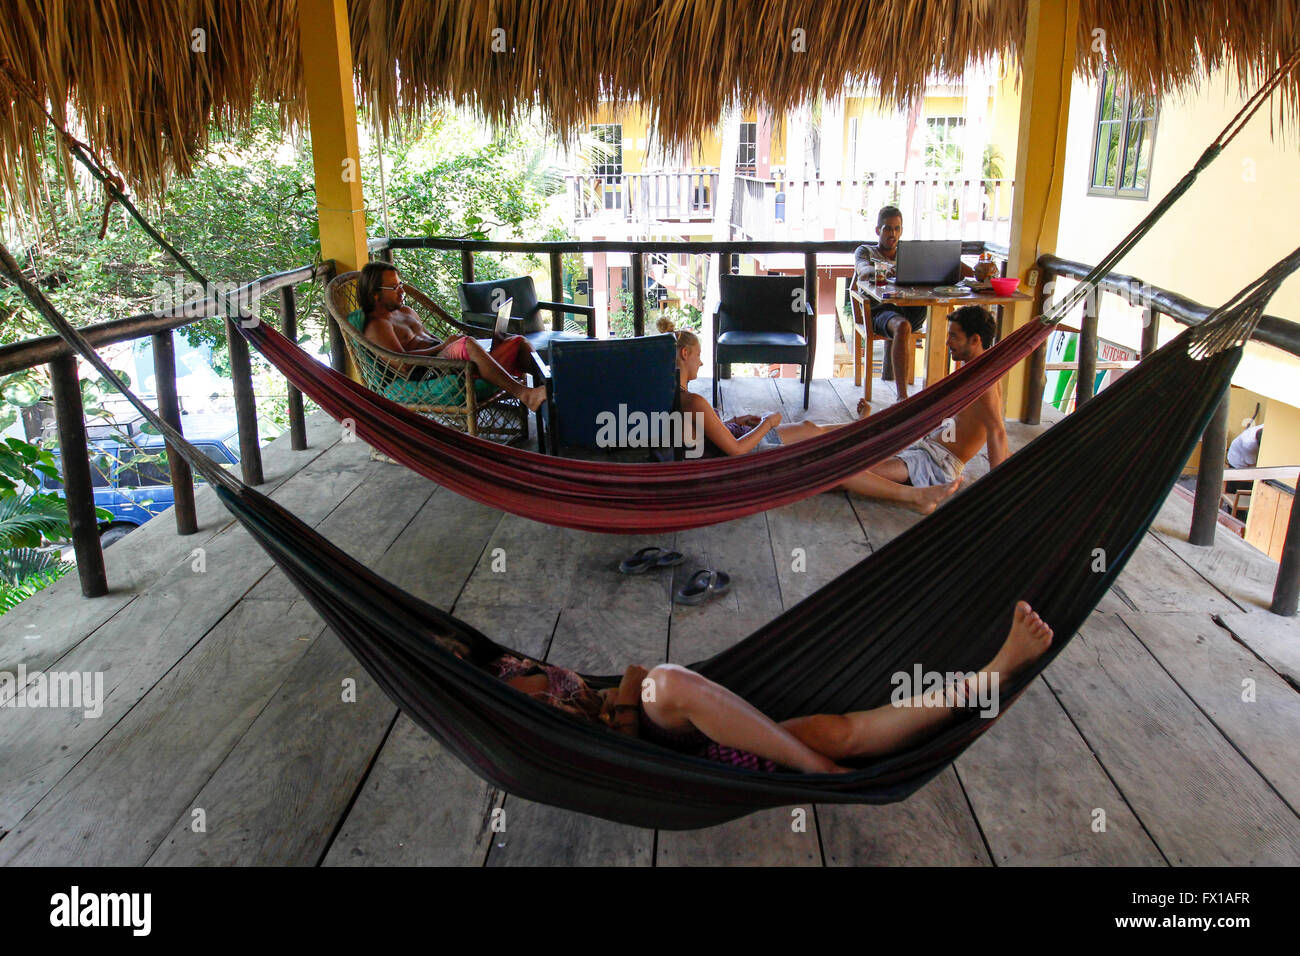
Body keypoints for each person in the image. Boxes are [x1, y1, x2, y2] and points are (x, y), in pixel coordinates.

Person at [441, 602, 1055, 774]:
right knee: (665, 682)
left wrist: (625, 686)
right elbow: (610, 739)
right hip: (646, 754)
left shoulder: (497, 662)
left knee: (846, 734)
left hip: (694, 738)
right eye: (439, 655)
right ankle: (815, 771)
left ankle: (995, 673)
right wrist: (629, 691)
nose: (445, 647)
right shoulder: (500, 702)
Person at [663, 307, 1007, 515]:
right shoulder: (970, 373)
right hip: (921, 451)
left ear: (976, 340)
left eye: (954, 336)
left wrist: (1006, 491)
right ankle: (897, 485)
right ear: (683, 356)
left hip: (934, 464)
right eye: (949, 335)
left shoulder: (985, 383)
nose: (947, 342)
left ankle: (911, 493)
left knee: (834, 465)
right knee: (834, 461)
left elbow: (998, 434)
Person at [356, 261, 547, 412]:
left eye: (400, 284)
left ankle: (553, 387)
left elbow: (431, 339)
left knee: (518, 342)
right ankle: (525, 394)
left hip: (447, 360)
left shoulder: (406, 311)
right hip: (431, 371)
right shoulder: (378, 325)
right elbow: (403, 365)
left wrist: (450, 344)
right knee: (468, 344)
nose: (402, 291)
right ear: (375, 294)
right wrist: (445, 347)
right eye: (394, 288)